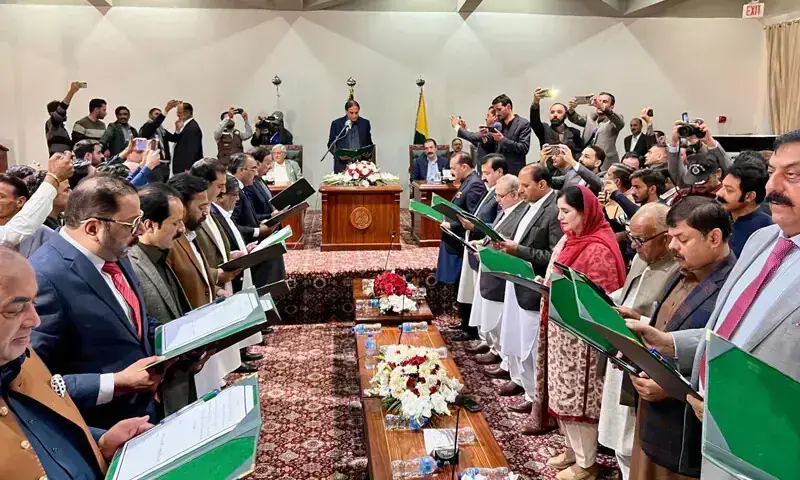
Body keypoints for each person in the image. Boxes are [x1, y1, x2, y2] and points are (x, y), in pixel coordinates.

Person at [0, 246, 154, 479]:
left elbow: (42, 430)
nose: (35, 319)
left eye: (32, 302)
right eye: (16, 309)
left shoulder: (22, 356)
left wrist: (100, 443)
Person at [29, 174, 165, 429]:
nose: (139, 232)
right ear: (93, 228)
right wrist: (115, 382)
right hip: (100, 427)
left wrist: (181, 345)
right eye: (132, 224)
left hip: (144, 411)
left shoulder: (113, 251)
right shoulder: (45, 278)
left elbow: (133, 320)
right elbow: (31, 382)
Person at [618, 196, 736, 480]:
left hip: (684, 434)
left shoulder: (732, 286)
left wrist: (673, 389)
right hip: (651, 422)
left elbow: (726, 358)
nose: (672, 247)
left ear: (714, 237)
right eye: (670, 238)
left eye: (681, 239)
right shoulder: (684, 269)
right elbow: (669, 329)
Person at [544, 185, 626, 480]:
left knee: (578, 400)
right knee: (562, 396)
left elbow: (602, 302)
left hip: (583, 344)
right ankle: (571, 450)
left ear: (585, 212)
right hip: (562, 333)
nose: (560, 218)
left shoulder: (598, 248)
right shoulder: (572, 240)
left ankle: (586, 464)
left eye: (566, 212)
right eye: (559, 211)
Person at [597, 204, 679, 480]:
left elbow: (669, 325)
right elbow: (630, 293)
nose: (633, 247)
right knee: (616, 435)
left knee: (632, 442)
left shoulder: (677, 269)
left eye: (640, 240)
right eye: (631, 238)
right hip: (620, 351)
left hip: (644, 363)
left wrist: (639, 318)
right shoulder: (644, 258)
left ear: (666, 237)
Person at [492, 164, 561, 432]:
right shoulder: (530, 205)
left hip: (534, 286)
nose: (520, 190)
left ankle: (538, 404)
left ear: (542, 185)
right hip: (517, 281)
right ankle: (526, 388)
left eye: (525, 185)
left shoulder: (554, 210)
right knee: (518, 339)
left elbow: (553, 257)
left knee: (532, 348)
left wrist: (517, 250)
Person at [127, 183, 195, 414]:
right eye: (175, 223)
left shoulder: (160, 254)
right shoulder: (130, 264)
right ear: (149, 225)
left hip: (182, 372)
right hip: (160, 383)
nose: (182, 229)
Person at [466, 175, 529, 368]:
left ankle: (502, 356)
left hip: (502, 272)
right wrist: (482, 243)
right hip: (490, 269)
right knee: (489, 315)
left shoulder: (520, 212)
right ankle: (493, 347)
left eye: (500, 196)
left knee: (501, 321)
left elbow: (508, 241)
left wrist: (489, 250)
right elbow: (494, 233)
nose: (497, 201)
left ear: (514, 194)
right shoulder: (505, 210)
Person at [451, 154, 504, 342]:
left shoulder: (501, 192)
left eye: (487, 173)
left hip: (482, 245)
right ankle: (468, 324)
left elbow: (499, 224)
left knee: (474, 290)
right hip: (472, 242)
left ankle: (473, 329)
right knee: (467, 288)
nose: (483, 177)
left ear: (500, 172)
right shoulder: (490, 190)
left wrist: (475, 226)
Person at [0, 153, 73, 248]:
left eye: (1, 196)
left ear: (20, 201)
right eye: (66, 190)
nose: (71, 193)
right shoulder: (18, 230)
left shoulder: (43, 233)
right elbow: (11, 234)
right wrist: (53, 177)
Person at [436, 153, 486, 285]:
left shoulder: (475, 184)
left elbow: (472, 217)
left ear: (464, 166)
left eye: (453, 168)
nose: (451, 172)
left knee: (458, 282)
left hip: (460, 241)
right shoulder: (467, 181)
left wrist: (452, 226)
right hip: (453, 238)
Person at [716, 159, 773, 257]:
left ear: (749, 196)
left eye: (728, 190)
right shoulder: (717, 217)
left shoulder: (767, 231)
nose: (719, 193)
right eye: (722, 187)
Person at [567, 92, 625, 170]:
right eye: (598, 101)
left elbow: (620, 123)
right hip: (586, 160)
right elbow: (575, 119)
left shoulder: (614, 120)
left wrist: (603, 108)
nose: (599, 104)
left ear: (611, 107)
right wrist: (571, 109)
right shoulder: (591, 117)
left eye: (604, 102)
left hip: (606, 163)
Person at [667, 120, 730, 189]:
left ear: (718, 173)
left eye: (705, 177)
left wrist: (709, 140)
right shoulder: (688, 187)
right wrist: (674, 142)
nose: (700, 185)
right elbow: (676, 173)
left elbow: (729, 170)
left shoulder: (723, 191)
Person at [484, 94, 531, 175]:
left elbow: (524, 148)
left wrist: (502, 140)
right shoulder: (497, 124)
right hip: (498, 172)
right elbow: (490, 146)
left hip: (514, 172)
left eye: (499, 109)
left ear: (508, 107)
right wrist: (484, 136)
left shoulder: (523, 124)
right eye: (495, 111)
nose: (497, 114)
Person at [530, 88, 583, 158]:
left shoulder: (575, 132)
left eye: (559, 112)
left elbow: (578, 154)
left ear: (566, 115)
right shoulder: (544, 129)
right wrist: (536, 102)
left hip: (568, 167)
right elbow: (534, 121)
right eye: (552, 112)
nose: (555, 115)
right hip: (548, 167)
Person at [139, 100, 181, 182]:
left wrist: (177, 129)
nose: (158, 116)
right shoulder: (146, 127)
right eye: (156, 114)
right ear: (150, 115)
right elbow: (155, 124)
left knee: (164, 189)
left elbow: (174, 139)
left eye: (159, 114)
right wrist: (166, 110)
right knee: (157, 190)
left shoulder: (162, 130)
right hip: (155, 165)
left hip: (166, 165)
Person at [328, 100, 373, 173]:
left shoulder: (365, 123)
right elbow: (330, 144)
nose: (354, 115)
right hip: (342, 165)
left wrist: (368, 153)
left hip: (361, 165)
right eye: (351, 113)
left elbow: (369, 143)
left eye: (356, 113)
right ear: (346, 111)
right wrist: (339, 156)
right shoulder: (337, 124)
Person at [46, 81, 82, 155]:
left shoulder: (60, 128)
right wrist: (71, 92)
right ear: (52, 113)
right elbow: (62, 108)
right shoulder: (51, 123)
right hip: (58, 159)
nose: (64, 114)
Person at [172, 102, 204, 175]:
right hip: (181, 167)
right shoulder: (185, 126)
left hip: (186, 169)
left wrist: (188, 168)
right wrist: (177, 130)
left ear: (187, 113)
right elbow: (175, 139)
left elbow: (192, 150)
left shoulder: (192, 128)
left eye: (180, 112)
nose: (177, 115)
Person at [246, 147, 277, 221]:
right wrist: (270, 216)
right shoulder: (249, 184)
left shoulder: (259, 179)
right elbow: (249, 216)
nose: (270, 167)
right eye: (268, 163)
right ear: (257, 164)